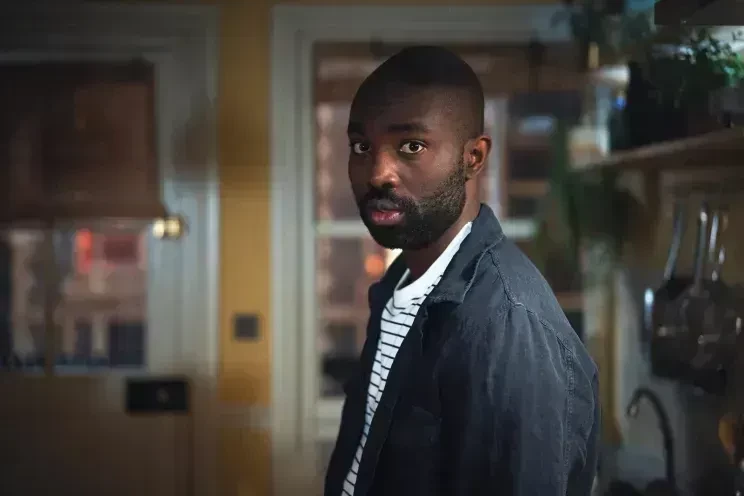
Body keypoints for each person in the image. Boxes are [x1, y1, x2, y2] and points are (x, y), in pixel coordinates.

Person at [324, 45, 600, 496]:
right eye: (362, 147)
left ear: (474, 157)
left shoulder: (507, 324)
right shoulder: (398, 288)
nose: (378, 173)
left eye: (411, 146)